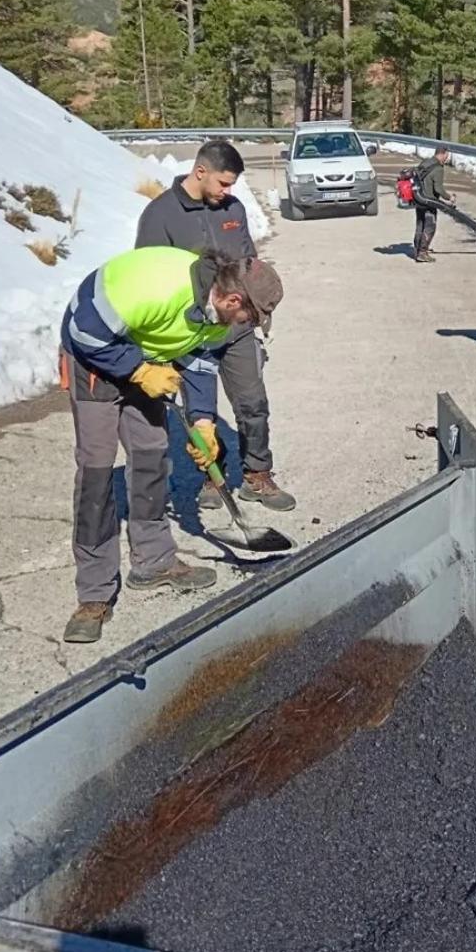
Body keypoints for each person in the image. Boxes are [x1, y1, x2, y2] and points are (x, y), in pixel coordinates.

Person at [59, 246, 284, 644]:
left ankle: (154, 562)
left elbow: (198, 362)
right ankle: (93, 594)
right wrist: (137, 368)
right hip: (94, 360)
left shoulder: (219, 317)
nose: (250, 324)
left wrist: (203, 424)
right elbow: (82, 330)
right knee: (96, 473)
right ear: (234, 300)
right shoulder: (156, 288)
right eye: (251, 316)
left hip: (148, 359)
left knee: (150, 458)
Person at [136, 139, 295, 512]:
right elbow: (149, 278)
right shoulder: (160, 215)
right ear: (200, 171)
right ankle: (214, 476)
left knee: (253, 402)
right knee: (201, 411)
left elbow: (249, 264)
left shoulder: (233, 208)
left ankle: (257, 474)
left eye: (232, 186)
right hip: (191, 334)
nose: (228, 192)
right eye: (223, 184)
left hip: (235, 329)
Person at [411, 146, 454, 263]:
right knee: (430, 227)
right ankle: (422, 253)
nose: (447, 158)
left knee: (420, 224)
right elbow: (438, 189)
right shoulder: (438, 168)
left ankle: (417, 249)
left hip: (418, 199)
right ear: (443, 154)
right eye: (447, 156)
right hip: (429, 201)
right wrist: (449, 197)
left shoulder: (425, 163)